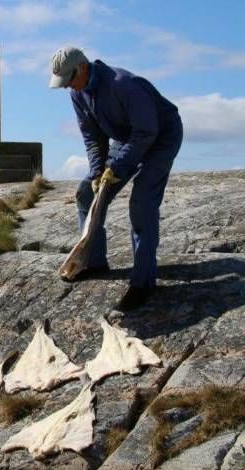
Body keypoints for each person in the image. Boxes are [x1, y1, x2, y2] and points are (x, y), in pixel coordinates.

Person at [49, 46, 183, 312]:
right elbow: (92, 136)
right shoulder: (78, 93)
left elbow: (147, 131)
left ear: (82, 68)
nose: (66, 87)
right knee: (87, 193)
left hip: (161, 137)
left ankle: (143, 283)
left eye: (68, 80)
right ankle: (94, 261)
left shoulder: (124, 85)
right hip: (126, 140)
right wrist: (99, 170)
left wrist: (119, 166)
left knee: (142, 203)